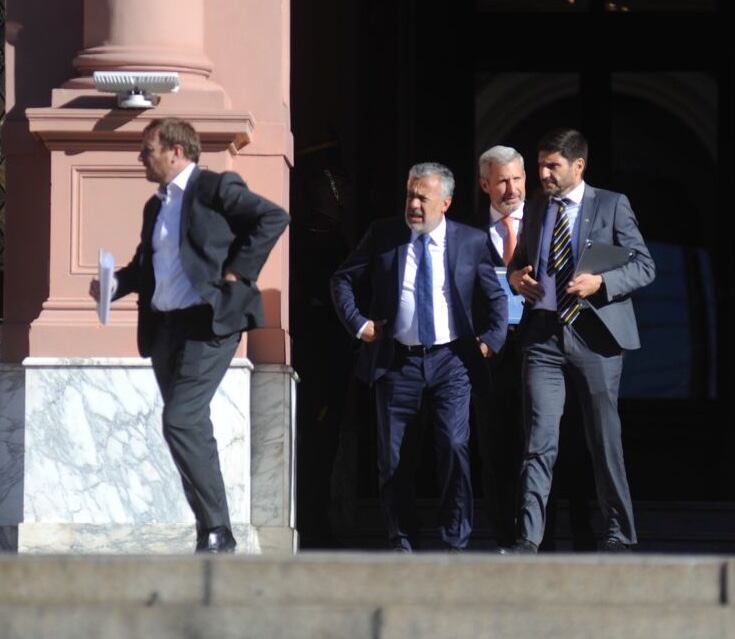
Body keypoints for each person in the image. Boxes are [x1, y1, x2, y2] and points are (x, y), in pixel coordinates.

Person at [89, 117, 289, 553]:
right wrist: (114, 284)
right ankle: (212, 532)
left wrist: (239, 270)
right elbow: (149, 265)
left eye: (148, 149)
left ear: (176, 152)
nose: (141, 157)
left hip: (209, 324)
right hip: (166, 329)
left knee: (180, 420)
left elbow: (273, 217)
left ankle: (217, 531)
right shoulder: (155, 206)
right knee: (190, 426)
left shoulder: (214, 188)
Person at [330, 162, 507, 552]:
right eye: (410, 195)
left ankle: (454, 540)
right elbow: (342, 279)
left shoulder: (471, 241)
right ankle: (402, 541)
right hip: (397, 362)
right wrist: (360, 325)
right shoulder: (384, 234)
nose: (413, 204)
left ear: (445, 202)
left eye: (422, 197)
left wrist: (490, 341)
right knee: (394, 461)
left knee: (455, 447)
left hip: (452, 362)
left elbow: (496, 297)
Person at [507, 129, 655, 553]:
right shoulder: (536, 206)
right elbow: (520, 263)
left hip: (596, 337)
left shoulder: (611, 204)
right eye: (541, 165)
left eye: (553, 166)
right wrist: (518, 278)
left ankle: (620, 533)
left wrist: (602, 283)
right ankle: (528, 538)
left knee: (603, 438)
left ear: (578, 166)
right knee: (539, 439)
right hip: (544, 335)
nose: (544, 174)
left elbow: (645, 266)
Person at [475, 145, 526, 548]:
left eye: (517, 179)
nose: (511, 189)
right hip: (487, 353)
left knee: (540, 441)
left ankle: (537, 534)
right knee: (494, 444)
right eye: (502, 181)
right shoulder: (466, 234)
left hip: (540, 347)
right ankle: (503, 536)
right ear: (485, 184)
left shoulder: (548, 224)